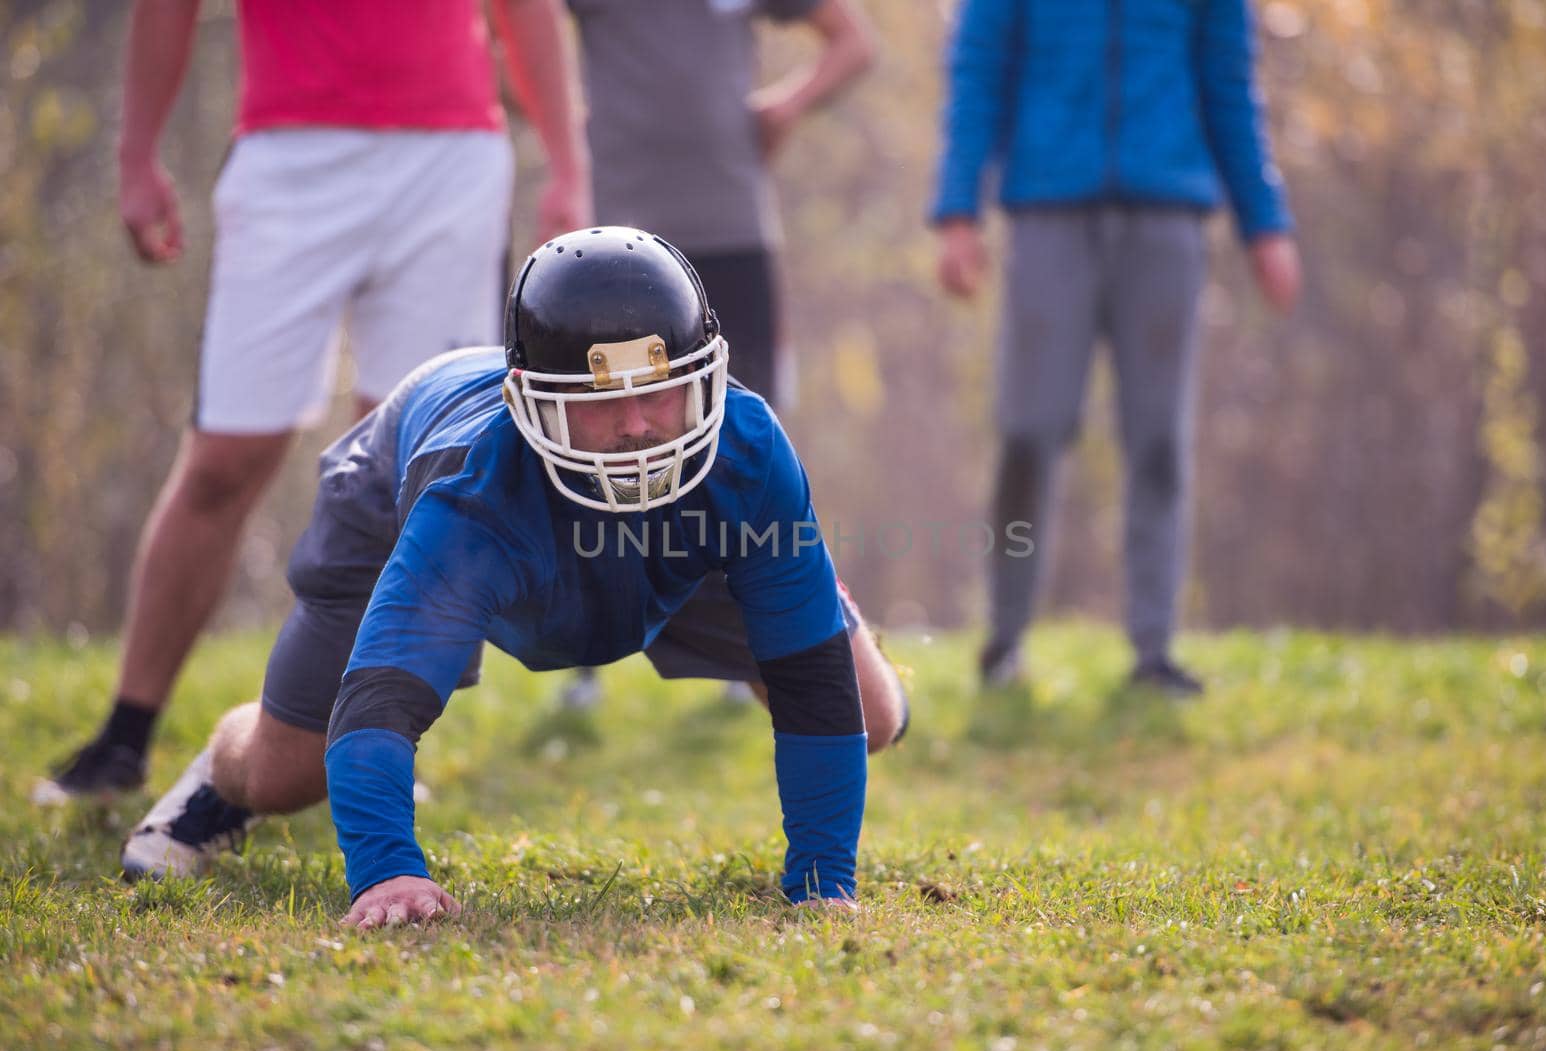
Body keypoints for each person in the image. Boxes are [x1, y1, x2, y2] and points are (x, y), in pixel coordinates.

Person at [118, 228, 908, 925]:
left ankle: (812, 593)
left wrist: (822, 882)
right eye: (603, 404)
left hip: (677, 530)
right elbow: (381, 704)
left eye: (661, 390)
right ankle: (216, 780)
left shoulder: (746, 446)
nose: (637, 425)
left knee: (862, 708)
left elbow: (811, 687)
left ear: (704, 373)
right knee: (286, 770)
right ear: (530, 402)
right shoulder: (471, 493)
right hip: (421, 486)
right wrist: (388, 871)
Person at [37, 0, 590, 802]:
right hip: (288, 155)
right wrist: (136, 155)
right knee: (225, 460)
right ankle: (124, 737)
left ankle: (376, 738)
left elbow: (527, 12)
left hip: (453, 156)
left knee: (421, 467)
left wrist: (570, 169)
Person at [931, 0, 1303, 694]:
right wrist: (958, 209)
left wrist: (1265, 223)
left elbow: (1228, 84)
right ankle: (1005, 642)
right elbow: (979, 70)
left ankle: (1154, 653)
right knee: (1027, 434)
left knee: (1160, 440)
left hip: (1168, 217)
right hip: (1048, 211)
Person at [553, 0, 876, 712]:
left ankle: (745, 652)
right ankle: (583, 656)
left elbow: (853, 42)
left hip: (735, 232)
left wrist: (788, 104)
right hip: (616, 239)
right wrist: (561, 124)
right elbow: (501, 37)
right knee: (599, 442)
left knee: (740, 447)